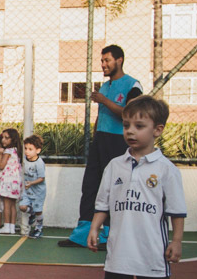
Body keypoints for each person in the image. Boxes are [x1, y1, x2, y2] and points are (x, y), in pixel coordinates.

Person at [89, 96, 186, 279]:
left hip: (151, 248)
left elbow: (177, 211)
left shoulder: (166, 170)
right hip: (120, 245)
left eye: (139, 125)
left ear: (158, 129)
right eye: (126, 125)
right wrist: (95, 228)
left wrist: (176, 241)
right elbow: (102, 203)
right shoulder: (115, 166)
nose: (130, 131)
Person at [61, 45, 143, 248]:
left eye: (107, 60)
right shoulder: (105, 87)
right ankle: (83, 235)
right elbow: (102, 115)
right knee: (90, 186)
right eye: (102, 61)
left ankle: (110, 236)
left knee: (115, 188)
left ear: (119, 60)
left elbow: (129, 114)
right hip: (100, 140)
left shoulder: (133, 84)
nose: (103, 64)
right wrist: (95, 135)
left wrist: (104, 100)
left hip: (118, 142)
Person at [0, 128, 23, 234]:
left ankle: (7, 226)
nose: (3, 140)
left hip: (8, 180)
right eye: (3, 137)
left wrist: (0, 154)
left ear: (13, 139)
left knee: (7, 204)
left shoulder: (7, 151)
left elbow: (1, 166)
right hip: (16, 181)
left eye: (7, 138)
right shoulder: (16, 150)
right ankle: (12, 226)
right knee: (12, 205)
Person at [19, 134, 46, 239]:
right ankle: (32, 212)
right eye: (26, 148)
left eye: (30, 149)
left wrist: (31, 183)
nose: (27, 151)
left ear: (38, 150)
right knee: (22, 207)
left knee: (39, 210)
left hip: (38, 191)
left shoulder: (39, 163)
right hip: (27, 190)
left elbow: (41, 178)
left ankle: (39, 229)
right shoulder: (25, 159)